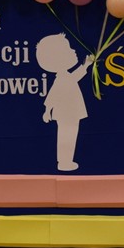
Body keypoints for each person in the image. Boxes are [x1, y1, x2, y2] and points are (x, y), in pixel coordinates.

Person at [36, 32, 93, 171]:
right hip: (67, 113)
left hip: (70, 112)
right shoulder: (62, 78)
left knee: (69, 136)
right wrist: (47, 111)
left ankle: (66, 161)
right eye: (69, 49)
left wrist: (86, 65)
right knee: (66, 137)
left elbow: (75, 77)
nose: (73, 51)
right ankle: (64, 162)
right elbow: (52, 96)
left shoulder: (65, 76)